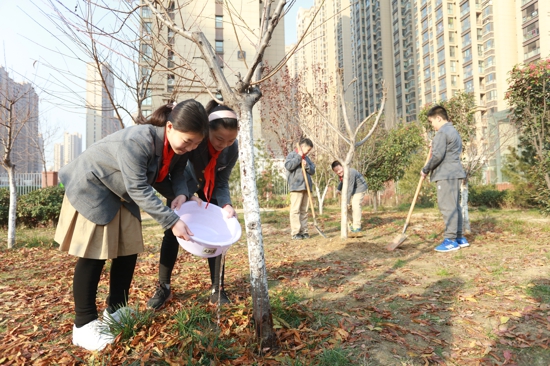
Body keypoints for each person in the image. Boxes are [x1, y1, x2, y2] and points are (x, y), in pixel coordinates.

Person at [54, 100, 209, 351]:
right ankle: (83, 325)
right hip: (93, 186)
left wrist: (181, 193)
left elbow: (178, 173)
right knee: (94, 255)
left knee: (128, 249)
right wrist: (171, 221)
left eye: (196, 144)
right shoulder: (139, 141)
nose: (190, 147)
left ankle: (116, 309)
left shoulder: (179, 148)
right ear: (169, 127)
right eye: (187, 141)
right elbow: (138, 187)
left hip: (120, 191)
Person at [147, 100, 239, 309]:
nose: (224, 144)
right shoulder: (193, 140)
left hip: (210, 187)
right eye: (219, 138)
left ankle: (217, 289)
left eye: (231, 140)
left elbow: (222, 180)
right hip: (184, 187)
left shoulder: (231, 149)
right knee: (172, 231)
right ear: (207, 131)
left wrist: (225, 203)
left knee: (220, 235)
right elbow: (177, 170)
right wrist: (186, 195)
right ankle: (164, 287)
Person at [421, 105, 469, 252]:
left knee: (447, 206)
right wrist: (435, 143)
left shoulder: (442, 132)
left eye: (432, 122)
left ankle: (450, 240)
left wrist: (425, 170)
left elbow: (437, 156)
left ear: (439, 118)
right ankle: (459, 237)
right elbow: (447, 149)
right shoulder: (453, 131)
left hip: (445, 174)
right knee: (455, 206)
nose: (432, 126)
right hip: (454, 173)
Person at [284, 138, 315, 240]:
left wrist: (306, 166)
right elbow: (289, 166)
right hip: (296, 187)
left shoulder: (307, 158)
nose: (308, 151)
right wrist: (298, 157)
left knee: (304, 210)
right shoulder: (292, 155)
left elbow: (312, 170)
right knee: (295, 210)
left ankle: (304, 231)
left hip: (306, 187)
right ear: (302, 147)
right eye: (308, 149)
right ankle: (296, 232)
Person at [331, 161, 368, 233]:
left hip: (360, 188)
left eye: (339, 169)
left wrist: (346, 202)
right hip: (353, 190)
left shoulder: (350, 172)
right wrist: (338, 189)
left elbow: (349, 189)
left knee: (355, 205)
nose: (338, 172)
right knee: (348, 208)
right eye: (336, 171)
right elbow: (342, 182)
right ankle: (351, 224)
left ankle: (357, 227)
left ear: (342, 166)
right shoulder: (342, 175)